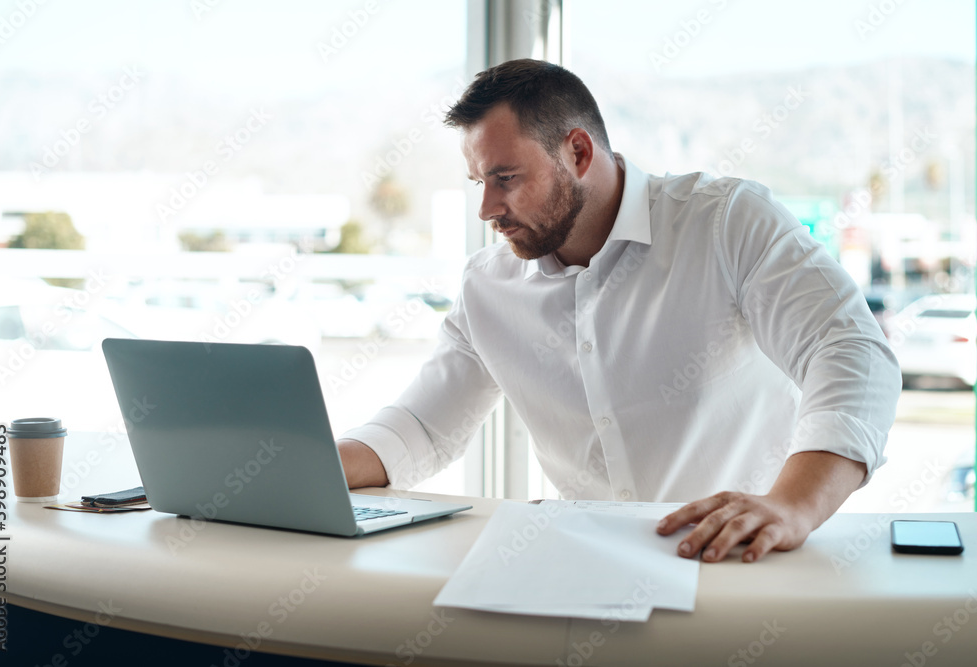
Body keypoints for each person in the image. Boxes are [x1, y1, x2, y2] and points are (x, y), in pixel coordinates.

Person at [336, 59, 901, 563]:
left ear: (578, 153)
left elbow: (849, 349)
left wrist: (792, 506)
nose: (487, 208)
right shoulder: (487, 286)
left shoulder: (725, 222)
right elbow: (423, 428)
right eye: (479, 183)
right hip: (583, 571)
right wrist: (308, 468)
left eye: (505, 179)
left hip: (736, 565)